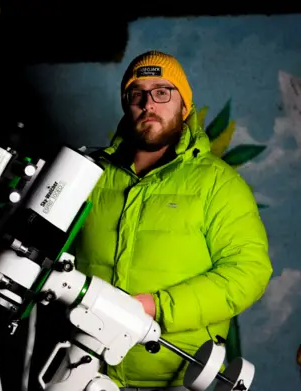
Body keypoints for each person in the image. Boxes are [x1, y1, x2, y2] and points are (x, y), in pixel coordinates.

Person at [72, 50, 273, 390]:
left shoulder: (218, 183)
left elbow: (249, 271)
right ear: (126, 104)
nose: (149, 104)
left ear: (185, 105)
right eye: (137, 94)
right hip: (85, 372)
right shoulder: (89, 176)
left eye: (162, 92)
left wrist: (156, 306)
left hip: (177, 378)